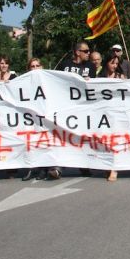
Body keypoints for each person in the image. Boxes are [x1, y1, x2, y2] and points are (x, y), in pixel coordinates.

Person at [53, 42, 96, 179]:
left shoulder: (90, 66)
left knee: (82, 137)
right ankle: (58, 166)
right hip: (66, 108)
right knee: (63, 137)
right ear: (78, 52)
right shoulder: (64, 65)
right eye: (86, 51)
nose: (89, 53)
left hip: (83, 108)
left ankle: (83, 164)